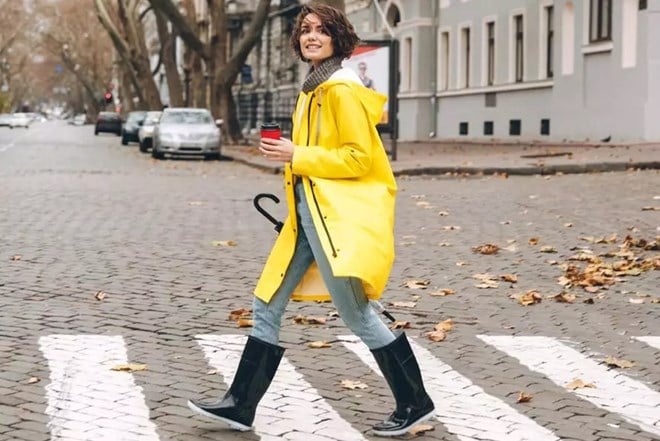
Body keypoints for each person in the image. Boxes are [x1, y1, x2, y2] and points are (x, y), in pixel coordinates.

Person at [187, 3, 434, 437]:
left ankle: (415, 402)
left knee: (358, 315)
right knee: (267, 303)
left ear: (338, 38)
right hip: (307, 217)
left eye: (321, 30)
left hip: (331, 222)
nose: (311, 36)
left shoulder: (340, 88)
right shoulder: (312, 89)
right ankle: (240, 405)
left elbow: (358, 158)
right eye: (305, 30)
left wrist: (296, 154)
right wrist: (293, 160)